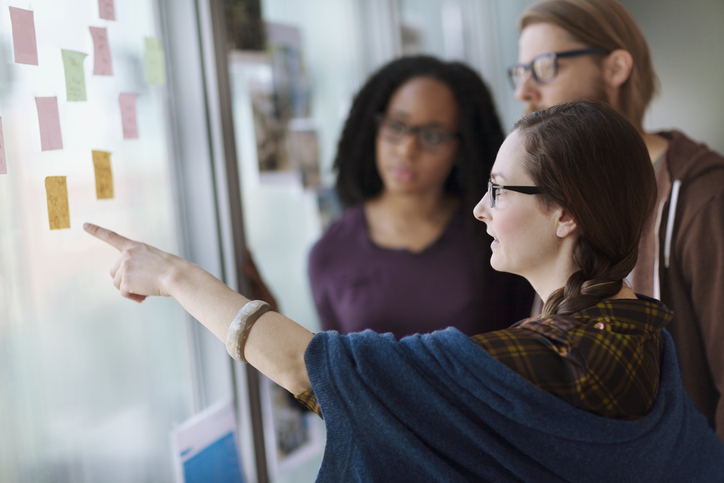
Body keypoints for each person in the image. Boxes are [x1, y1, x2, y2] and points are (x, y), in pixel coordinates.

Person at [85, 101, 724, 481]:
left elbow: (313, 371)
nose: (479, 208)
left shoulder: (548, 363)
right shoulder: (642, 337)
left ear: (567, 215)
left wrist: (173, 275)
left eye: (500, 190)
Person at [508, 0, 724, 441]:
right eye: (519, 71)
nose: (524, 91)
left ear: (616, 67)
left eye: (545, 66)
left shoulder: (703, 196)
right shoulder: (553, 198)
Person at [308, 55, 534, 338]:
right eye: (396, 126)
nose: (407, 150)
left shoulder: (495, 234)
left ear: (461, 148)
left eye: (433, 136)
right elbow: (331, 371)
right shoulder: (330, 253)